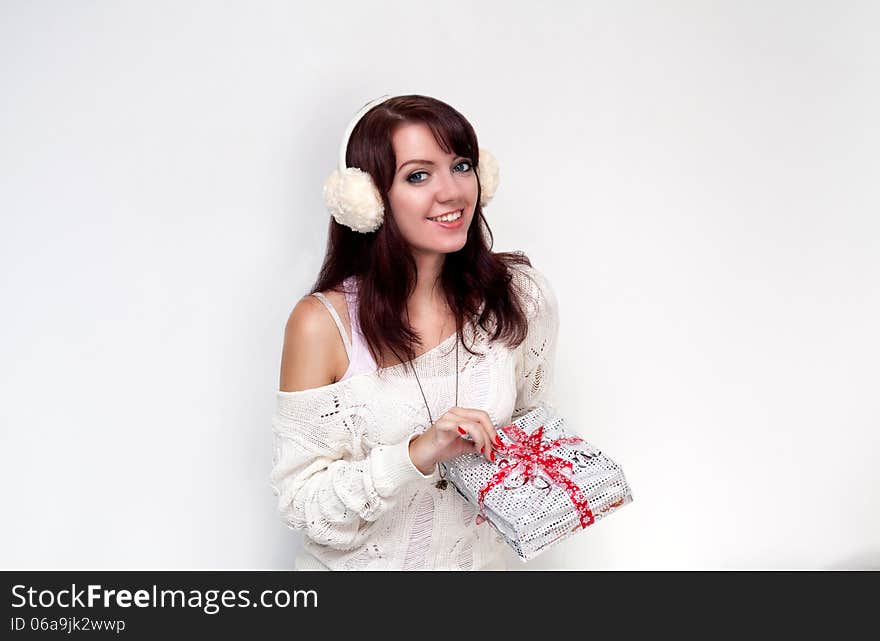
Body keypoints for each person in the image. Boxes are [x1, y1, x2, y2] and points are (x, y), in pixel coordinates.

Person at [269, 94, 560, 570]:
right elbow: (302, 505)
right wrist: (416, 455)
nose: (451, 192)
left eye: (461, 165)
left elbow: (532, 432)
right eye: (418, 175)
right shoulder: (323, 323)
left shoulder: (519, 298)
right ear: (367, 201)